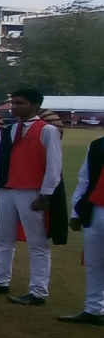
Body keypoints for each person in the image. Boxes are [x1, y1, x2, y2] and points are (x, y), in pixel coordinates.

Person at [0, 88, 65, 306]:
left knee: (37, 243)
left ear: (35, 106)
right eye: (13, 103)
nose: (14, 107)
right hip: (8, 189)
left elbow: (54, 165)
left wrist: (46, 194)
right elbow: (1, 162)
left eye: (20, 103)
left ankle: (38, 290)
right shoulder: (10, 130)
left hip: (32, 190)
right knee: (4, 239)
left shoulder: (47, 130)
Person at [65, 131, 104, 324]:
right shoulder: (97, 145)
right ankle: (93, 308)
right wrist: (76, 213)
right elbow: (85, 180)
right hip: (95, 209)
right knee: (94, 262)